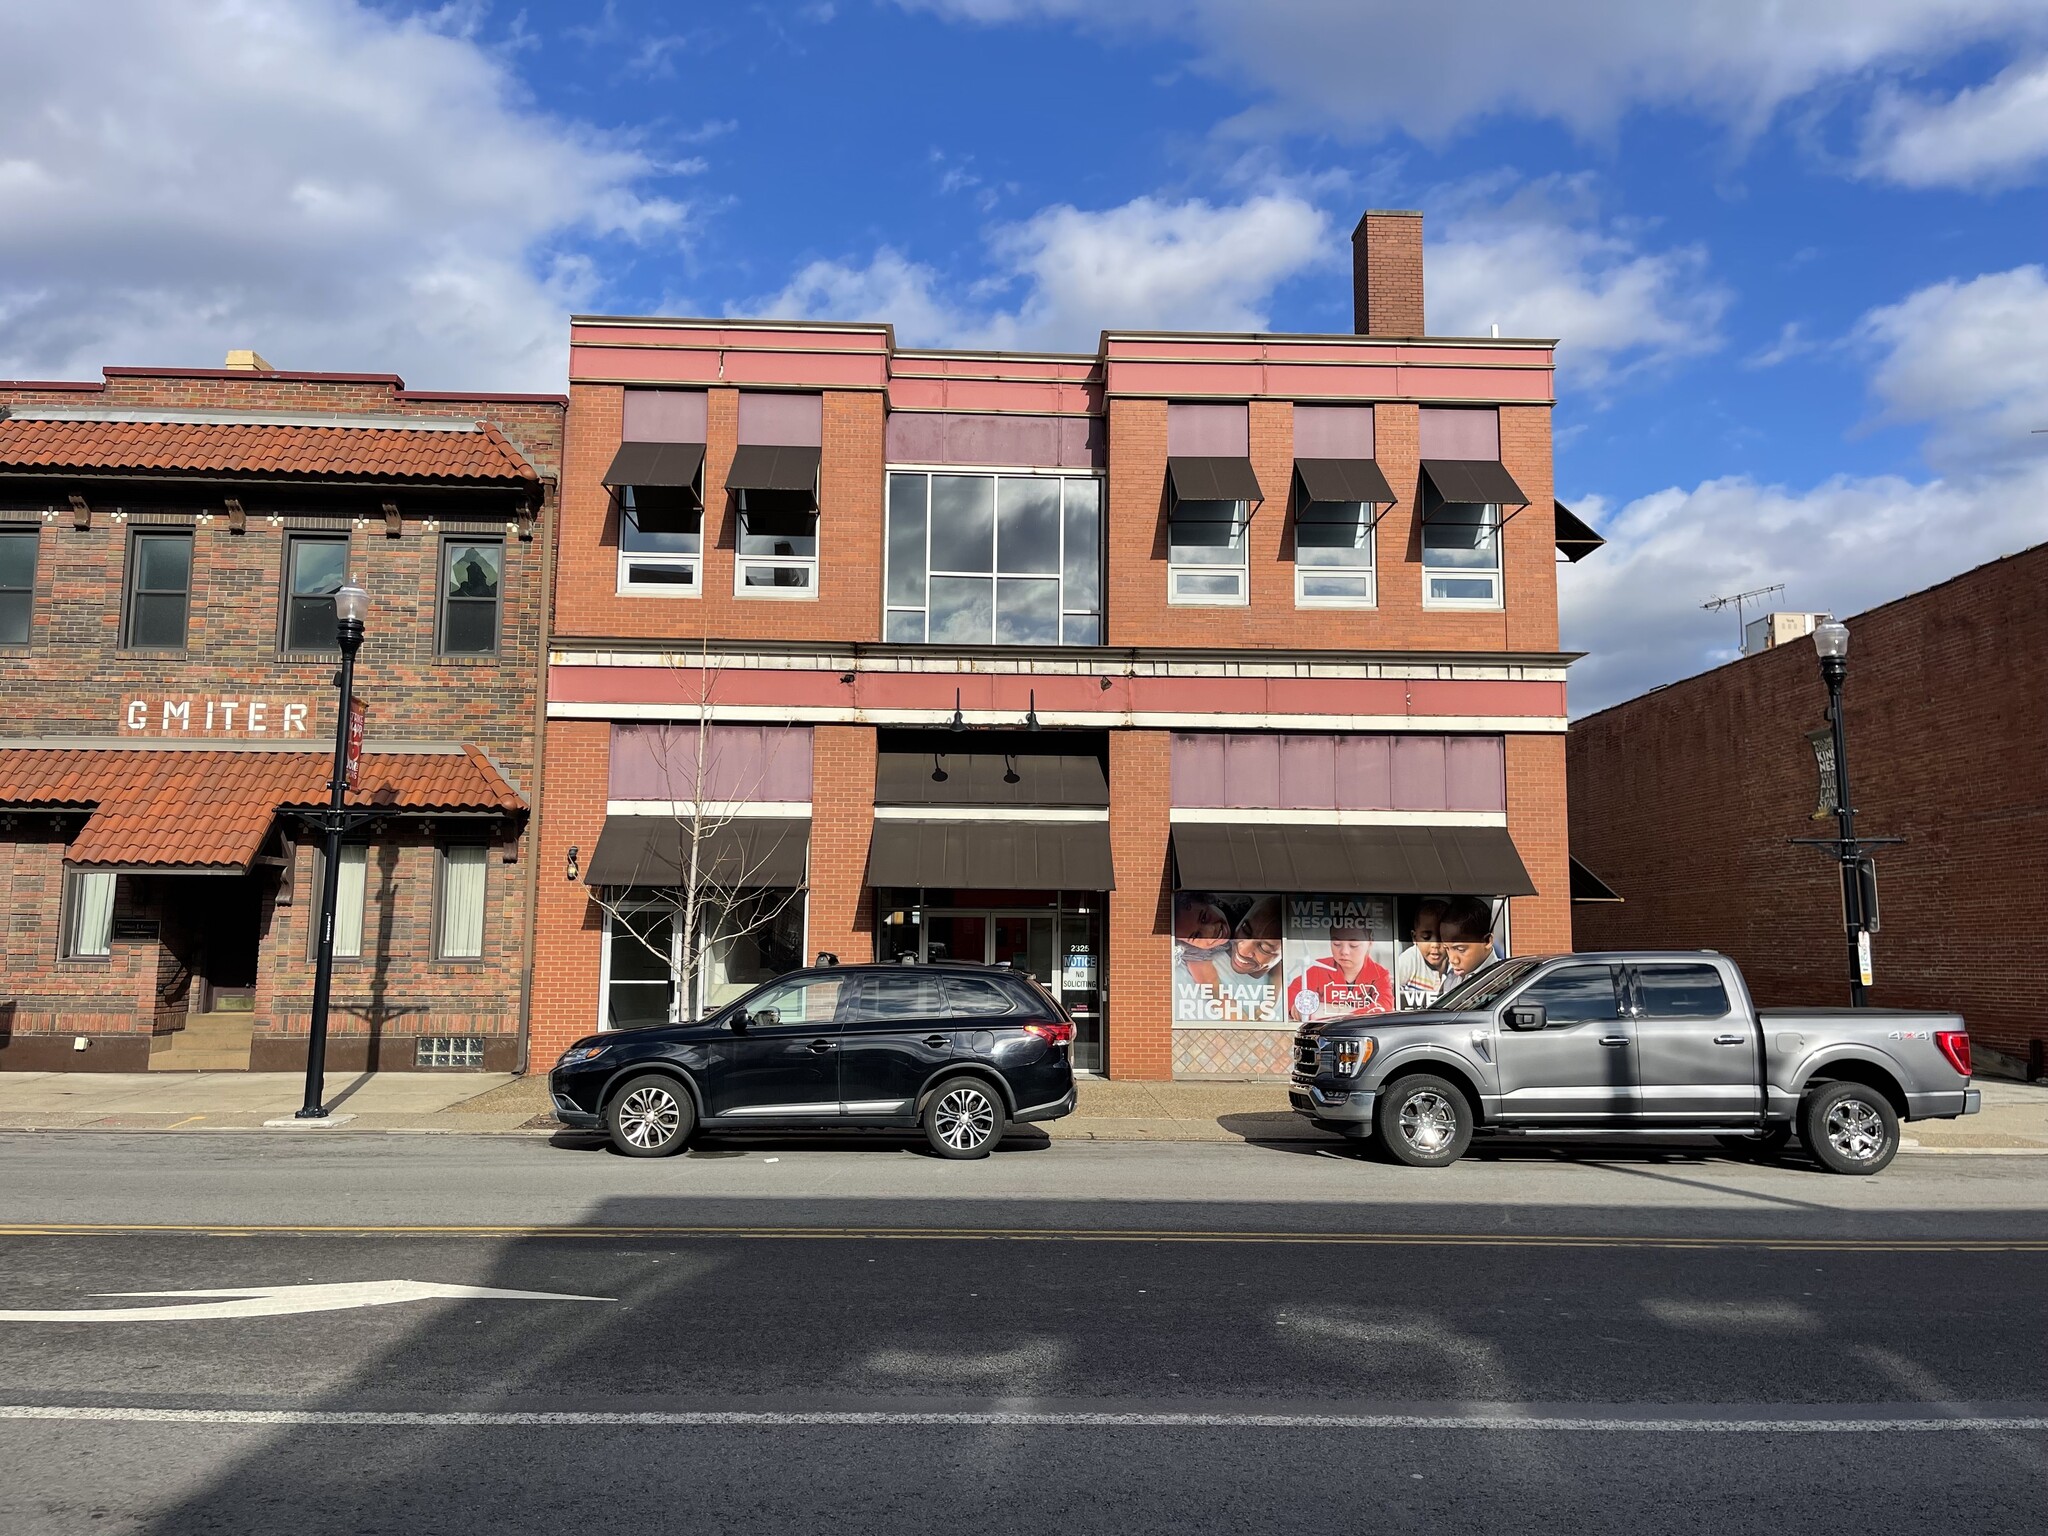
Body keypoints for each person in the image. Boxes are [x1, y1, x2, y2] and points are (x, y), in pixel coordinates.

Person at [1287, 918, 1394, 1021]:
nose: (1344, 951)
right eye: (1336, 944)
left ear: (1370, 943)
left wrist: (1345, 1015)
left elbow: (1385, 1007)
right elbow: (1290, 995)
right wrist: (1296, 1007)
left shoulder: (1380, 975)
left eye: (1353, 945)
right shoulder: (1318, 969)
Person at [1395, 897, 1451, 1010]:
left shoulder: (1454, 965)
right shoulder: (1409, 960)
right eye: (1426, 937)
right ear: (1414, 938)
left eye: (1441, 937)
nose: (1435, 944)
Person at [1437, 896, 1500, 989]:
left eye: (1460, 949)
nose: (1452, 960)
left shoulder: (1504, 981)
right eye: (1446, 948)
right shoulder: (1451, 979)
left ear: (1487, 941)